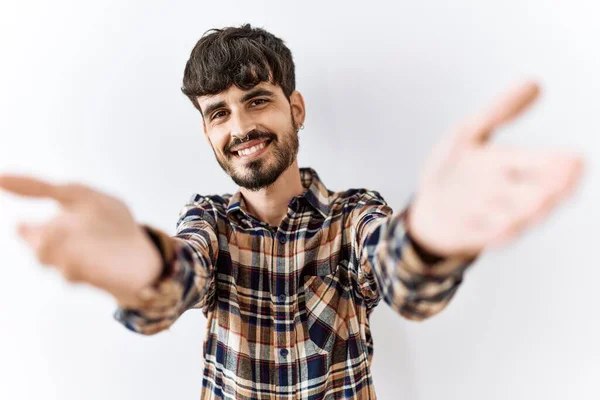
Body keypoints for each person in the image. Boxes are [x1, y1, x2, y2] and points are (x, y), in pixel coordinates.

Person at [0, 24, 584, 399]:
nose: (241, 127)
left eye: (257, 101)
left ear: (295, 108)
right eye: (218, 113)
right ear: (206, 132)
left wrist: (429, 239)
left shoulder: (354, 214)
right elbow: (183, 272)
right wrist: (143, 265)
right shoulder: (207, 221)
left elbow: (399, 273)